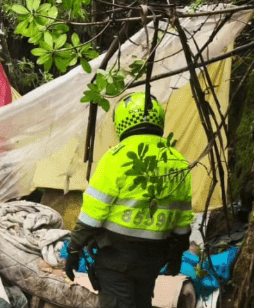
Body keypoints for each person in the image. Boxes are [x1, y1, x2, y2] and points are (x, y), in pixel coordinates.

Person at [64, 93, 194, 308]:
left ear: (121, 122)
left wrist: (74, 249)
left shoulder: (116, 157)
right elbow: (182, 218)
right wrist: (177, 253)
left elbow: (93, 213)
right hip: (153, 258)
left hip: (116, 258)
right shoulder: (177, 161)